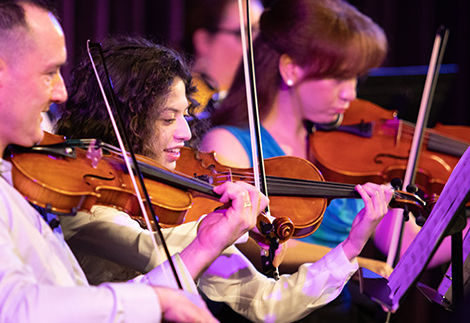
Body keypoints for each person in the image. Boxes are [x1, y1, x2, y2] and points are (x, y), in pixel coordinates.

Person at [0, 0, 271, 322]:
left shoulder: (1, 179)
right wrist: (155, 302)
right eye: (48, 72)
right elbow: (14, 311)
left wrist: (206, 243)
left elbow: (78, 306)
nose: (61, 92)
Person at [56, 35, 393, 322]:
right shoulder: (82, 204)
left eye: (185, 115)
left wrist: (351, 246)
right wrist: (226, 229)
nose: (186, 133)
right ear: (125, 120)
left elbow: (268, 302)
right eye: (167, 119)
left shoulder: (170, 204)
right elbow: (156, 253)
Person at [199, 0, 394, 322]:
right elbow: (240, 241)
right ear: (290, 68)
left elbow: (401, 240)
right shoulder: (228, 145)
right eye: (338, 77)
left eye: (355, 77)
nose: (351, 93)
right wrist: (353, 259)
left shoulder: (345, 148)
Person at [183, 0, 264, 116]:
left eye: (260, 33)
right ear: (203, 41)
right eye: (244, 32)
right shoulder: (182, 105)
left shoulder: (257, 102)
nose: (257, 42)